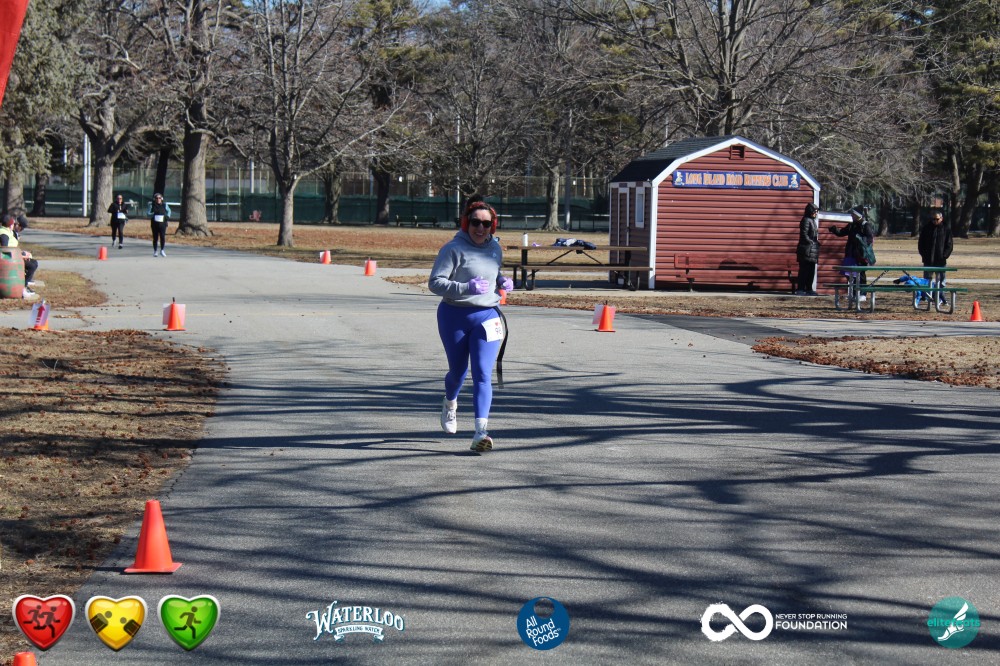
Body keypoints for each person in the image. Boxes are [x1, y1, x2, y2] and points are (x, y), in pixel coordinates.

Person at [428, 198, 513, 452]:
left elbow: (493, 273)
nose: (480, 228)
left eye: (486, 224)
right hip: (454, 315)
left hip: (487, 316)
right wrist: (465, 287)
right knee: (458, 372)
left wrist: (502, 281)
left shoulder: (495, 247)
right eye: (476, 222)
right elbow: (435, 283)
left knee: (483, 373)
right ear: (466, 223)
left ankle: (481, 432)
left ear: (493, 226)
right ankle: (450, 402)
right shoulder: (453, 249)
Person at [829, 207, 875, 300]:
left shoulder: (866, 225)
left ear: (858, 215)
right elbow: (842, 233)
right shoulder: (851, 225)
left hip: (861, 255)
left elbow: (869, 239)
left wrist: (859, 239)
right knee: (850, 275)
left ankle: (862, 294)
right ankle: (853, 294)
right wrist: (835, 230)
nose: (852, 216)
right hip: (850, 253)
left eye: (853, 214)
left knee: (860, 275)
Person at [918, 209, 953, 304]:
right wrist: (924, 254)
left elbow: (949, 245)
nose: (935, 221)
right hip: (928, 260)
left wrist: (944, 256)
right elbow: (921, 243)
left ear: (941, 218)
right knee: (927, 280)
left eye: (937, 219)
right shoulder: (926, 228)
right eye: (933, 219)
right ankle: (926, 296)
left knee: (941, 281)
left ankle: (940, 297)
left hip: (940, 261)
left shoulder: (946, 229)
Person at [0, 212, 38, 298]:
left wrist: (22, 253)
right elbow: (5, 251)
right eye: (13, 223)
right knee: (32, 265)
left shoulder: (7, 231)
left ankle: (25, 285)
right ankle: (23, 287)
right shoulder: (4, 234)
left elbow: (12, 247)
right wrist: (22, 257)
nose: (14, 225)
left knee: (34, 262)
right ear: (10, 224)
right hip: (10, 260)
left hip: (14, 256)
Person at [795, 203, 820, 295]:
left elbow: (813, 235)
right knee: (804, 270)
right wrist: (811, 242)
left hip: (812, 250)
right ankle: (800, 289)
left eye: (817, 211)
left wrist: (816, 243)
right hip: (806, 250)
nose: (816, 213)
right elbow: (804, 234)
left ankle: (809, 288)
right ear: (810, 211)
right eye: (815, 211)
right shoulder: (806, 220)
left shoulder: (812, 221)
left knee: (811, 270)